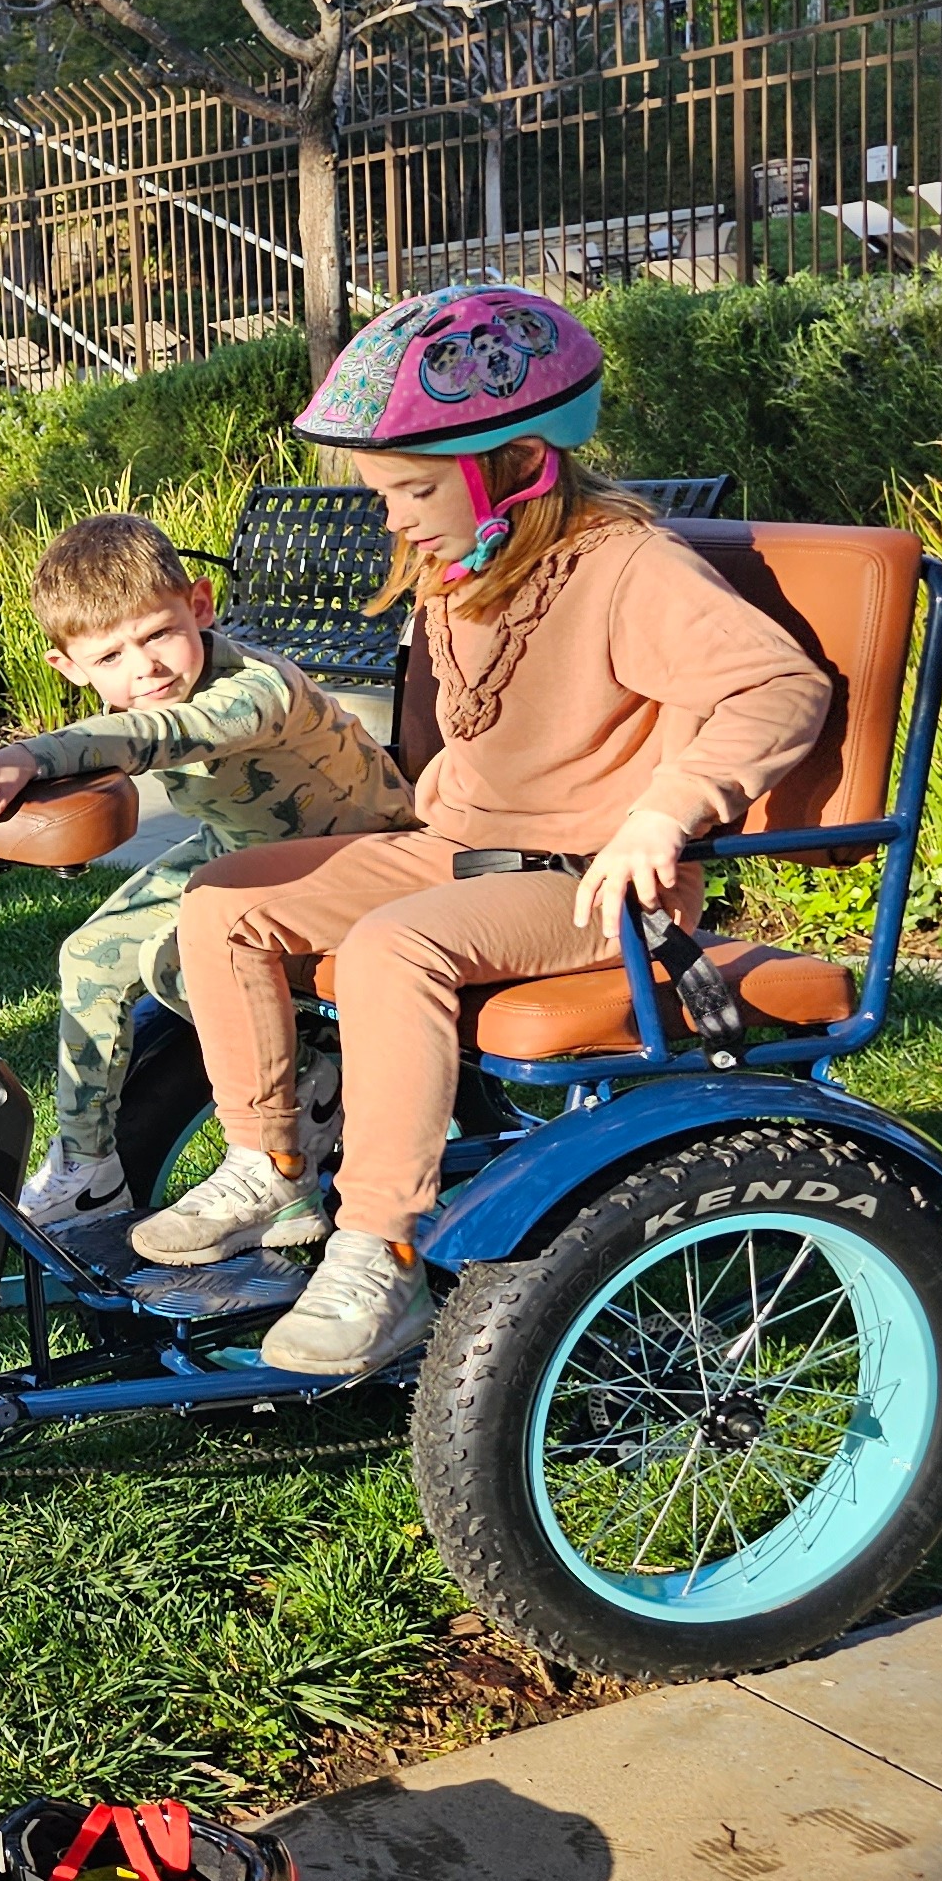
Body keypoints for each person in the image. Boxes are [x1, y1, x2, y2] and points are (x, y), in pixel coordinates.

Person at [132, 283, 831, 1376]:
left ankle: (380, 1250)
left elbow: (776, 686)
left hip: (589, 886)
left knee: (392, 944)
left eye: (412, 489)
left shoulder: (623, 565)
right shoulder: (463, 567)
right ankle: (269, 1160)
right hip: (456, 851)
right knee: (226, 901)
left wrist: (667, 808)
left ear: (517, 465)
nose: (393, 515)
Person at [0, 511, 416, 1226]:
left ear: (200, 605)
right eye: (110, 659)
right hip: (246, 850)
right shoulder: (152, 682)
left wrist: (34, 754)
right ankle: (87, 1167)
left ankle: (312, 1085)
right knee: (90, 956)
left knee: (179, 960)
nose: (146, 669)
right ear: (68, 669)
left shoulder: (256, 688)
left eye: (159, 634)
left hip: (359, 858)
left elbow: (163, 733)